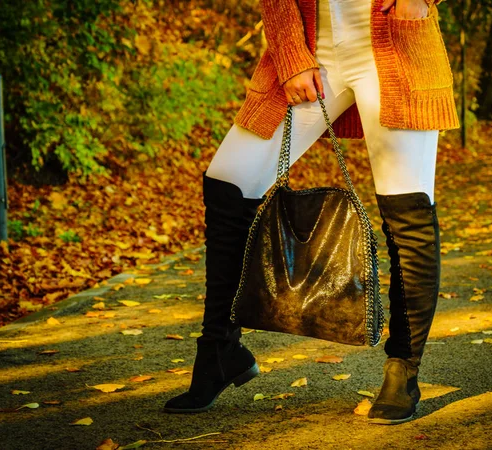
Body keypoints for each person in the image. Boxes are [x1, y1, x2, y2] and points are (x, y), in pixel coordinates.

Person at [163, 0, 459, 425]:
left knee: (406, 211)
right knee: (228, 183)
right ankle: (219, 350)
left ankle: (403, 370)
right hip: (309, 46)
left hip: (395, 42)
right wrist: (289, 56)